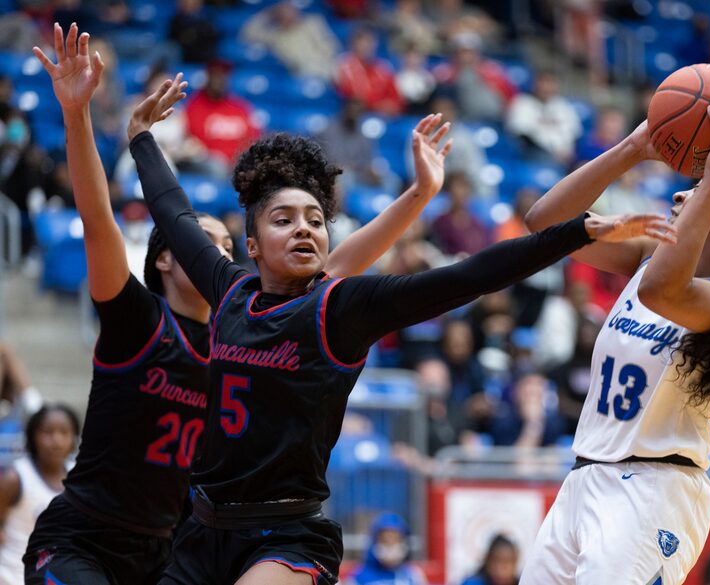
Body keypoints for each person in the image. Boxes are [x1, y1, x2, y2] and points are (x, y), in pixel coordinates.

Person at [128, 75, 675, 585]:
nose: (304, 229)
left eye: (316, 221)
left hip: (286, 535)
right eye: (283, 219)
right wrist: (142, 138)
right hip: (200, 528)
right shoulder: (230, 292)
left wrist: (573, 234)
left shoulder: (341, 308)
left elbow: (469, 276)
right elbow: (174, 214)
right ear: (251, 246)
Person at [25, 24, 469, 585]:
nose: (219, 253)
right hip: (87, 537)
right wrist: (78, 114)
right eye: (206, 241)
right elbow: (96, 219)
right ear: (166, 258)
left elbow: (342, 262)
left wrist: (418, 195)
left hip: (177, 544)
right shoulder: (136, 319)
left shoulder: (252, 323)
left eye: (230, 247)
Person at [519, 91, 710, 585]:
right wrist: (633, 148)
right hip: (586, 476)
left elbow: (659, 291)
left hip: (652, 488)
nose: (679, 194)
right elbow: (544, 226)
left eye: (702, 189)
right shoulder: (649, 256)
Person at [0, 404, 80, 585]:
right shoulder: (15, 478)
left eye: (64, 432)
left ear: (74, 437)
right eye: (47, 432)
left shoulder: (78, 477)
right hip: (11, 577)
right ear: (32, 436)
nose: (56, 440)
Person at [343, 513, 426, 585]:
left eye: (395, 539)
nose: (390, 545)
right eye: (385, 540)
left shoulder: (414, 574)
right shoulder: (358, 577)